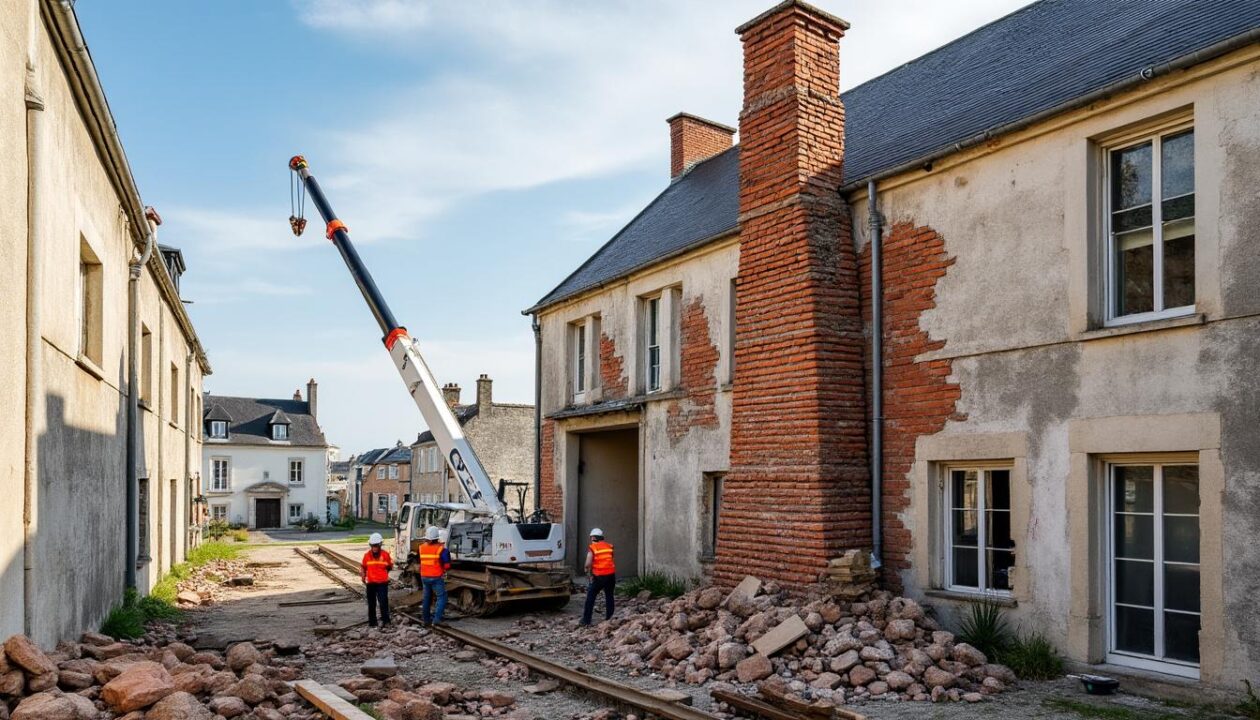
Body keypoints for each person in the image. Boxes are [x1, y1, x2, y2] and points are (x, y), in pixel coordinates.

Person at [580, 528, 615, 626]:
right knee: (609, 596)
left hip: (599, 576)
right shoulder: (609, 546)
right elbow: (610, 559)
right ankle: (610, 618)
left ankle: (586, 621)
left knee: (591, 597)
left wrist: (587, 571)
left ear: (593, 537)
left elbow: (588, 563)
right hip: (611, 575)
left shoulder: (593, 547)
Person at [418, 526, 451, 626]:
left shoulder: (421, 547)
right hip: (436, 577)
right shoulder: (441, 549)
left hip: (424, 577)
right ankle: (436, 619)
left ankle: (426, 620)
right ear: (437, 538)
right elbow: (447, 565)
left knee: (427, 598)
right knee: (442, 597)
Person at [360, 532, 392, 627]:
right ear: (370, 545)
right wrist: (363, 575)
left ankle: (386, 621)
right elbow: (363, 567)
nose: (374, 548)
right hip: (371, 584)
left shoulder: (385, 555)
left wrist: (383, 575)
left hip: (382, 583)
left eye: (376, 546)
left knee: (383, 602)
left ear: (380, 545)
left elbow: (390, 566)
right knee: (371, 604)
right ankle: (373, 623)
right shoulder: (367, 556)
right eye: (373, 546)